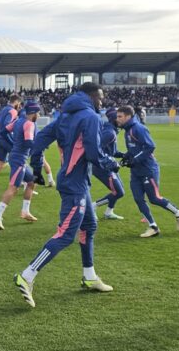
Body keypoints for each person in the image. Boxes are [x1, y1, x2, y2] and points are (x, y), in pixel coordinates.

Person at [13, 83, 119, 308]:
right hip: (75, 184)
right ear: (91, 96)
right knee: (66, 234)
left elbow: (40, 141)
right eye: (100, 98)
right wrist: (111, 163)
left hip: (74, 181)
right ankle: (27, 275)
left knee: (89, 226)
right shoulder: (90, 117)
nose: (102, 102)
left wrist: (37, 167)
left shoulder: (64, 115)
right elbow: (92, 152)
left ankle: (89, 277)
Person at [117, 105, 179, 238]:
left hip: (148, 170)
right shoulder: (127, 130)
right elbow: (135, 149)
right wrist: (127, 156)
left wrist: (134, 160)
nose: (117, 119)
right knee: (138, 199)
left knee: (154, 198)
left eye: (120, 116)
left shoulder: (138, 128)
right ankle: (153, 226)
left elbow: (150, 146)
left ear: (128, 116)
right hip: (136, 171)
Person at [0, 100, 41, 229]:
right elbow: (29, 142)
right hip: (19, 159)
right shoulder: (29, 124)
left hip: (18, 157)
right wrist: (39, 147)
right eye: (38, 113)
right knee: (13, 188)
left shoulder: (18, 121)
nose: (39, 116)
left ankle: (25, 211)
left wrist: (15, 143)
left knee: (32, 181)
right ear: (33, 113)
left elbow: (3, 132)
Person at [92, 108, 126, 219]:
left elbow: (113, 151)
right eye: (119, 117)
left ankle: (108, 212)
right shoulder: (109, 133)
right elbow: (95, 150)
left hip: (107, 165)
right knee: (118, 192)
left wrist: (125, 155)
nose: (122, 119)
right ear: (113, 119)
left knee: (119, 189)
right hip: (102, 167)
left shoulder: (111, 131)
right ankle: (93, 206)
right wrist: (110, 162)